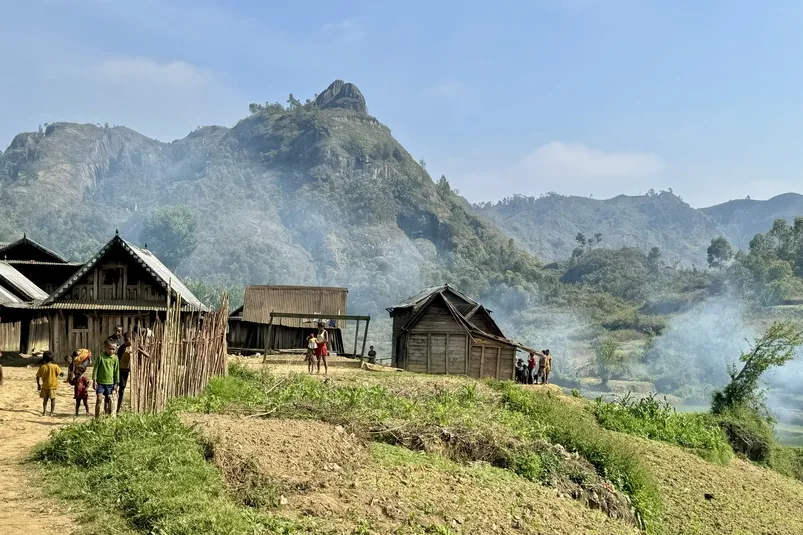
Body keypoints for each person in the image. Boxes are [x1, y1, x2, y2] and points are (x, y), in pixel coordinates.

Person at [92, 337, 120, 418]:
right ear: (105, 347)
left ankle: (106, 416)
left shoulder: (115, 358)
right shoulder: (101, 357)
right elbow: (95, 369)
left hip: (110, 383)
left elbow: (116, 371)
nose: (111, 351)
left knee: (107, 402)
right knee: (99, 399)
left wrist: (116, 383)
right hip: (100, 383)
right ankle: (96, 418)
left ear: (115, 349)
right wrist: (94, 380)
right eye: (109, 348)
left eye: (113, 349)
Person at [36, 351, 61, 416]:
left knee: (45, 399)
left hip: (45, 386)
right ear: (52, 359)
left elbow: (37, 376)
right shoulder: (55, 366)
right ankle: (51, 413)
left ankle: (44, 412)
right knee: (53, 399)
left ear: (44, 359)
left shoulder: (42, 367)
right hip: (53, 386)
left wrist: (38, 384)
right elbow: (61, 373)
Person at [116, 331, 133, 413]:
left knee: (123, 389)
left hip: (129, 370)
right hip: (121, 370)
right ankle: (117, 408)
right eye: (125, 340)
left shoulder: (136, 347)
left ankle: (118, 407)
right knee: (120, 389)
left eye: (127, 339)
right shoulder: (122, 348)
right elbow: (118, 359)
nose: (126, 341)